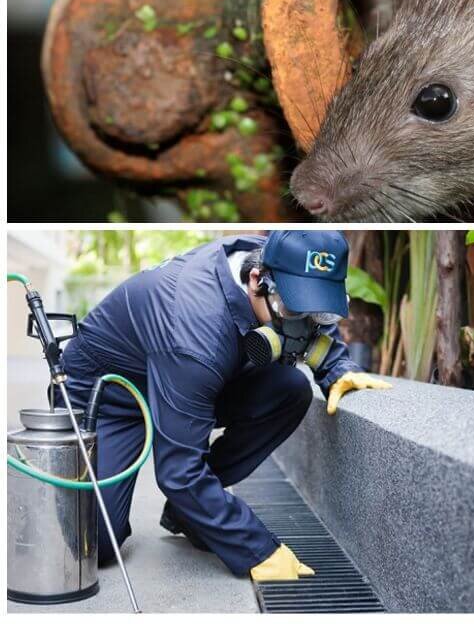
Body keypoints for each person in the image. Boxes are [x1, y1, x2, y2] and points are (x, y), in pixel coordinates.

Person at [61, 230, 390, 581]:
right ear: (256, 280)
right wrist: (255, 549)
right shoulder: (194, 331)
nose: (301, 326)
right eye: (292, 308)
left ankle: (190, 515)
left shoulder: (277, 256)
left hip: (194, 378)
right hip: (112, 397)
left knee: (291, 390)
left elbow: (313, 316)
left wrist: (336, 367)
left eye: (317, 310)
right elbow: (178, 471)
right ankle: (195, 508)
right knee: (94, 543)